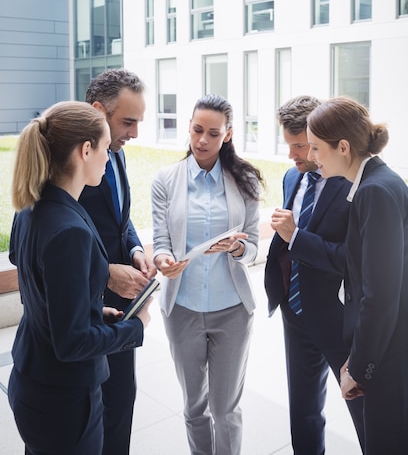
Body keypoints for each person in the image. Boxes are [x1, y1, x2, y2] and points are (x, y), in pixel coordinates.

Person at [8, 101, 152, 455]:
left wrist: (91, 310)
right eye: (104, 148)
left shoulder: (32, 207)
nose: (108, 158)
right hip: (63, 399)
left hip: (33, 379)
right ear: (85, 150)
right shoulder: (69, 230)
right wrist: (137, 327)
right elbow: (71, 344)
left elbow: (38, 284)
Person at [151, 94, 264, 455]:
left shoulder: (244, 181)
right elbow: (160, 240)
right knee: (194, 407)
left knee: (225, 408)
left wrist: (236, 248)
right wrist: (164, 259)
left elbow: (253, 248)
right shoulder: (166, 180)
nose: (202, 140)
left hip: (231, 310)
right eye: (197, 130)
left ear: (227, 135)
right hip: (182, 309)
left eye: (213, 133)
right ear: (188, 127)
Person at [307, 96, 408, 455]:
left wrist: (360, 366)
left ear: (342, 147)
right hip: (391, 346)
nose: (312, 157)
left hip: (392, 353)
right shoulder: (375, 184)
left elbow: (379, 294)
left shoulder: (375, 192)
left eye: (316, 148)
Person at [264, 95, 364, 455]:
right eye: (288, 145)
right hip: (295, 312)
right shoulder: (293, 176)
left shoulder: (355, 186)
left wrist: (296, 236)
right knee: (303, 412)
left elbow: (353, 261)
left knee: (363, 408)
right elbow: (289, 234)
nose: (292, 155)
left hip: (338, 318)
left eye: (300, 146)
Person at [79, 68, 157, 455]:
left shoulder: (116, 153)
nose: (136, 133)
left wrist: (136, 250)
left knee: (121, 404)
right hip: (81, 312)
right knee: (87, 417)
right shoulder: (64, 166)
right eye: (128, 121)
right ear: (98, 111)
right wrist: (107, 274)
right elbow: (45, 248)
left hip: (123, 311)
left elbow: (120, 222)